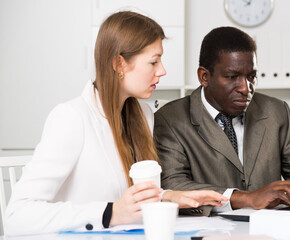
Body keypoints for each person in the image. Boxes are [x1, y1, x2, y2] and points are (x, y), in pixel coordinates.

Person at [5, 11, 227, 236]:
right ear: (118, 63)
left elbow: (129, 198)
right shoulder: (71, 118)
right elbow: (17, 216)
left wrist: (170, 197)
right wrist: (109, 213)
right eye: (153, 61)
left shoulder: (143, 115)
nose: (162, 71)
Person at [154, 26, 290, 216]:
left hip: (270, 231)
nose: (245, 88)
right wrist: (247, 198)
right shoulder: (169, 119)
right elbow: (172, 185)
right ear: (204, 77)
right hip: (208, 232)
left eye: (251, 77)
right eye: (232, 77)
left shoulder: (276, 111)